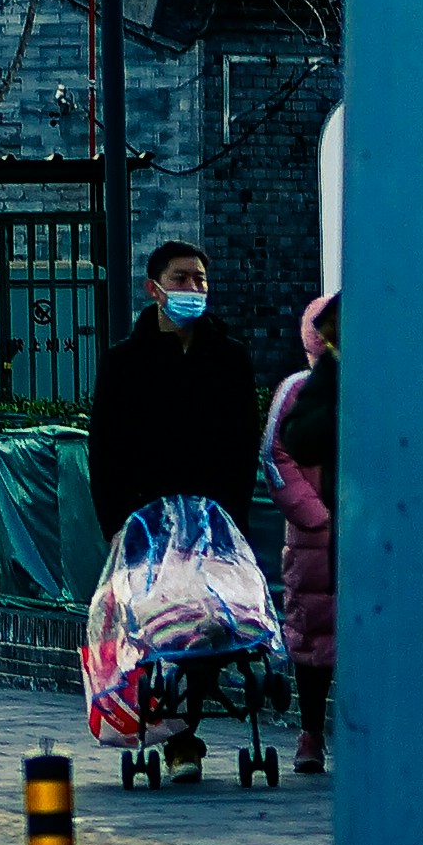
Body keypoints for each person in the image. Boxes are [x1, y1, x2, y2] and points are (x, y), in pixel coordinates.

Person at [85, 240, 265, 771]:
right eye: (181, 279)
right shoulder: (125, 362)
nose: (192, 289)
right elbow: (106, 448)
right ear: (155, 288)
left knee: (207, 624)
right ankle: (171, 726)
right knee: (158, 625)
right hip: (144, 521)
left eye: (200, 280)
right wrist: (116, 523)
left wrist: (232, 519)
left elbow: (241, 443)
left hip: (211, 521)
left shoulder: (228, 358)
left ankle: (185, 729)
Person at [261, 291, 342, 774]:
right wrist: (316, 516)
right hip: (316, 539)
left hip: (368, 534)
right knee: (312, 639)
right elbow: (277, 456)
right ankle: (311, 732)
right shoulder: (299, 390)